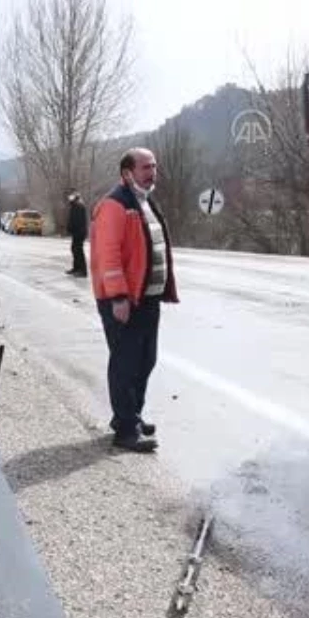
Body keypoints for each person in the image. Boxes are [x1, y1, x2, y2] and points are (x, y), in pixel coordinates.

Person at [89, 147, 178, 452]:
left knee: (146, 360)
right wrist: (118, 297)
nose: (152, 172)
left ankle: (131, 416)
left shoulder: (144, 200)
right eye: (145, 167)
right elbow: (108, 256)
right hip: (125, 301)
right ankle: (126, 431)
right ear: (127, 173)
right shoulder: (115, 205)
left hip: (147, 300)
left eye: (154, 166)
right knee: (125, 364)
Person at [66, 189, 88, 277]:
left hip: (79, 232)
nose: (69, 197)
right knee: (74, 249)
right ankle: (76, 268)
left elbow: (77, 220)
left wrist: (72, 228)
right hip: (76, 232)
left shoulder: (79, 206)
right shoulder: (74, 205)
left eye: (71, 195)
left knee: (78, 250)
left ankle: (82, 271)